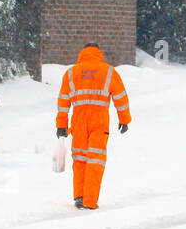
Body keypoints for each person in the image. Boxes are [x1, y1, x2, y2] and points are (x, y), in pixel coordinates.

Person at [55, 43, 132, 210]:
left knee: (80, 159)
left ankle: (79, 196)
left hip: (78, 120)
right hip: (99, 120)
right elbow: (120, 97)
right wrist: (124, 119)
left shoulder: (71, 73)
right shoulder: (108, 71)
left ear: (82, 53)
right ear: (99, 53)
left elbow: (62, 102)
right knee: (95, 160)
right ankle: (90, 201)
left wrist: (62, 125)